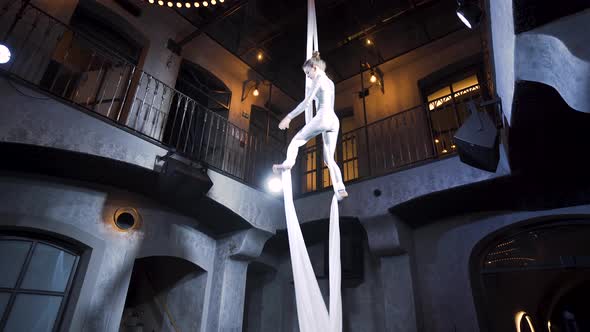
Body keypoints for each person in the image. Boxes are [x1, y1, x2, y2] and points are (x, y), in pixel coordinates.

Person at [273, 51, 348, 200]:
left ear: (314, 67)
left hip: (323, 117)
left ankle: (288, 164)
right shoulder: (330, 82)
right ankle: (341, 188)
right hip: (334, 120)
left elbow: (306, 103)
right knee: (329, 160)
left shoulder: (318, 79)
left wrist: (288, 117)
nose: (308, 76)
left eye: (307, 73)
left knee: (295, 142)